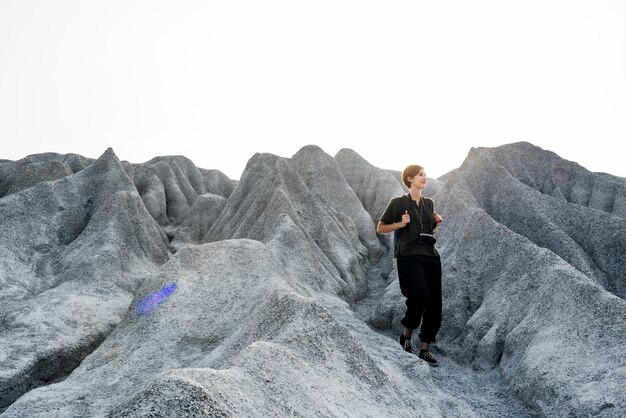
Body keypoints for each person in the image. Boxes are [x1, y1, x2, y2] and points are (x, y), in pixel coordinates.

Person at [376, 164, 443, 367]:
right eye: (421, 175)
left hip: (430, 256)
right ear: (410, 179)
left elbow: (426, 229)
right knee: (420, 296)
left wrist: (436, 223)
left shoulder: (429, 203)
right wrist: (401, 224)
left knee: (435, 303)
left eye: (425, 175)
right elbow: (380, 228)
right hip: (408, 256)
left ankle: (424, 349)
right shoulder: (398, 203)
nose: (425, 177)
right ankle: (406, 334)